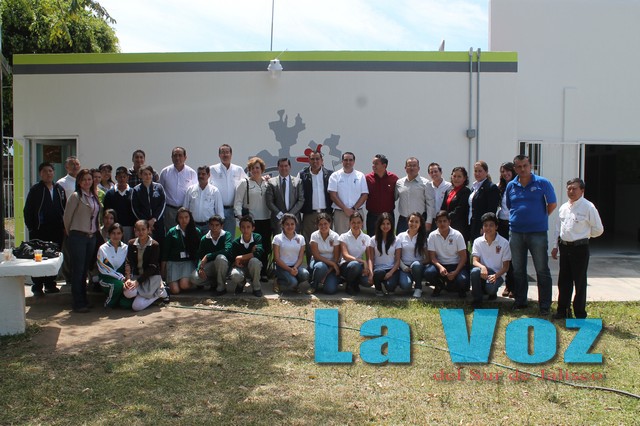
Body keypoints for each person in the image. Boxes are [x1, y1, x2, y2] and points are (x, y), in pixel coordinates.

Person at [506, 154, 557, 315]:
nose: (522, 169)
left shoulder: (542, 183)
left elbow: (552, 204)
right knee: (518, 270)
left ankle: (545, 305)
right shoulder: (511, 186)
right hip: (516, 233)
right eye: (519, 166)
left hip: (537, 233)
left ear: (530, 166)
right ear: (515, 168)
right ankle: (521, 302)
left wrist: (539, 218)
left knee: (541, 269)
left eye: (525, 165)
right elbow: (510, 205)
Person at [551, 178, 604, 319]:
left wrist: (584, 236)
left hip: (580, 248)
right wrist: (555, 247)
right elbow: (558, 229)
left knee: (579, 282)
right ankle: (563, 310)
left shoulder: (588, 207)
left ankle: (580, 313)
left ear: (582, 190)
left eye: (574, 188)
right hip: (564, 247)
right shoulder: (563, 207)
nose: (571, 191)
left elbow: (598, 229)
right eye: (569, 188)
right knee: (564, 281)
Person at [23, 162, 66, 296]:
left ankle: (50, 284)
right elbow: (28, 210)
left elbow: (64, 208)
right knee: (38, 258)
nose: (48, 174)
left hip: (56, 229)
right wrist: (32, 227)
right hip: (39, 230)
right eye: (45, 171)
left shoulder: (59, 189)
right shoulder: (35, 190)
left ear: (54, 173)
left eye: (50, 171)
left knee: (53, 257)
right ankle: (37, 286)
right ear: (40, 174)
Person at [63, 168, 100, 313]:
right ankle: (77, 302)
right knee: (78, 270)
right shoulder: (76, 196)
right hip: (78, 237)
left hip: (91, 237)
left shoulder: (94, 196)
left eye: (89, 179)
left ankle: (84, 299)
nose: (87, 182)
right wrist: (72, 234)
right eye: (84, 179)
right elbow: (67, 218)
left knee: (85, 270)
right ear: (79, 181)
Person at [234, 157, 271, 279]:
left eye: (257, 168)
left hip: (266, 219)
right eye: (252, 168)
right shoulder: (244, 183)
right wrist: (240, 217)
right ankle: (252, 272)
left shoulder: (267, 182)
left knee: (265, 246)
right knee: (252, 247)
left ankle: (263, 272)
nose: (255, 170)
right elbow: (238, 202)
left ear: (262, 169)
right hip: (252, 221)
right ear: (249, 170)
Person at [124, 220, 168, 311]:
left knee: (136, 307)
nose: (141, 232)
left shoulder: (154, 245)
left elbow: (152, 267)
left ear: (148, 230)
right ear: (135, 230)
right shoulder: (131, 243)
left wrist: (137, 282)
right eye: (138, 230)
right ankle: (144, 294)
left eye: (143, 229)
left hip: (151, 277)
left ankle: (159, 293)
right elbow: (128, 262)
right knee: (128, 293)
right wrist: (128, 278)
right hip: (137, 276)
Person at [424, 210, 470, 298]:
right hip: (440, 265)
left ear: (449, 222)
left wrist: (456, 272)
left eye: (445, 221)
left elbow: (463, 257)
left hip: (456, 265)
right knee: (428, 272)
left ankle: (459, 289)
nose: (442, 223)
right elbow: (432, 257)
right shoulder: (432, 235)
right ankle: (439, 285)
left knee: (463, 280)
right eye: (440, 221)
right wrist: (440, 267)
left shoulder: (457, 235)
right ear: (436, 223)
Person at [471, 213, 512, 308]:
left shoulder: (504, 243)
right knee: (474, 271)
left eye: (491, 225)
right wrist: (482, 267)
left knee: (490, 290)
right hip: (483, 272)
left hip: (497, 274)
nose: (488, 228)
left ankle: (491, 292)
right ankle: (477, 300)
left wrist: (495, 276)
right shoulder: (477, 241)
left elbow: (506, 267)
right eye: (485, 225)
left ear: (496, 227)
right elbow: (474, 261)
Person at [298, 150, 333, 261]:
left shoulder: (330, 174)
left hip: (326, 213)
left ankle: (329, 266)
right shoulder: (302, 175)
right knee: (310, 241)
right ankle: (311, 266)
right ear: (309, 160)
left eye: (317, 159)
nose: (315, 161)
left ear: (322, 160)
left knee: (328, 240)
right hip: (309, 214)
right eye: (312, 159)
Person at [209, 144, 247, 238]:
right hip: (216, 210)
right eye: (222, 152)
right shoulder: (212, 169)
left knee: (229, 238)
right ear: (219, 155)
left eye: (227, 152)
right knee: (216, 238)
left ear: (231, 154)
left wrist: (263, 178)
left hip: (231, 210)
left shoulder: (238, 169)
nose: (225, 155)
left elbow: (248, 183)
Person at [161, 208, 202, 294]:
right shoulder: (172, 232)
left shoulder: (196, 231)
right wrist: (163, 272)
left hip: (188, 262)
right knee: (175, 290)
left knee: (184, 285)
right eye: (181, 217)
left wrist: (199, 267)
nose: (184, 220)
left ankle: (192, 282)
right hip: (173, 262)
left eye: (186, 217)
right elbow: (165, 252)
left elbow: (200, 251)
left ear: (190, 218)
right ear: (177, 219)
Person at [328, 152, 368, 234]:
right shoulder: (335, 176)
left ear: (354, 162)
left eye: (350, 160)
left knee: (358, 236)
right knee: (341, 237)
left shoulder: (360, 176)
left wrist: (354, 208)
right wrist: (345, 208)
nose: (348, 162)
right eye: (345, 160)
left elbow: (364, 195)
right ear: (342, 161)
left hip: (357, 211)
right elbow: (333, 195)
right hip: (340, 213)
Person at [159, 147, 197, 228]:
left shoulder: (191, 173)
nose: (177, 158)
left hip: (185, 211)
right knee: (170, 232)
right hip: (169, 210)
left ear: (185, 157)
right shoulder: (165, 172)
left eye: (180, 155)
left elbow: (194, 193)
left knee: (185, 232)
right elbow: (161, 191)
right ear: (171, 157)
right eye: (175, 155)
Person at [395, 157, 436, 234]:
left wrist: (429, 221)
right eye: (409, 165)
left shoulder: (426, 183)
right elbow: (394, 198)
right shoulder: (399, 183)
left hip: (419, 220)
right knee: (400, 240)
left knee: (420, 241)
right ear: (405, 168)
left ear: (418, 168)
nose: (412, 168)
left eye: (414, 165)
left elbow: (430, 204)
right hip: (403, 220)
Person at [194, 215, 232, 296]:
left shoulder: (226, 235)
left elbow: (227, 250)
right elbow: (200, 256)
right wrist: (200, 268)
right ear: (209, 225)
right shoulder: (204, 238)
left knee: (220, 258)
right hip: (211, 266)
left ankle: (221, 287)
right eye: (212, 225)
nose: (214, 227)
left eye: (217, 225)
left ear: (222, 226)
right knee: (194, 278)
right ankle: (214, 282)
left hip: (225, 265)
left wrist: (208, 256)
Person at [272, 214, 310, 293]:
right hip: (282, 267)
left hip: (295, 267)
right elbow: (277, 259)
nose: (290, 226)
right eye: (287, 224)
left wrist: (295, 268)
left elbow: (300, 257)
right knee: (293, 282)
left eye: (292, 224)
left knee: (305, 274)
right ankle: (278, 281)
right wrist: (289, 270)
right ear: (283, 225)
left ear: (295, 225)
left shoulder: (301, 238)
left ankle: (294, 282)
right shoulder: (277, 238)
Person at [266, 158, 305, 234]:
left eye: (286, 166)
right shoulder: (271, 182)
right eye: (281, 166)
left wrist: (290, 215)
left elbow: (301, 200)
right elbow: (269, 202)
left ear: (290, 167)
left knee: (294, 241)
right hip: (278, 220)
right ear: (278, 167)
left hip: (294, 219)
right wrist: (281, 215)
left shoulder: (298, 182)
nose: (283, 168)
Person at [97, 223, 131, 309]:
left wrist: (128, 278)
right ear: (109, 234)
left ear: (122, 234)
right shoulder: (102, 248)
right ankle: (109, 303)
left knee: (126, 304)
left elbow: (129, 265)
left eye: (119, 233)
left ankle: (118, 301)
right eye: (113, 233)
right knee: (118, 285)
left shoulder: (126, 248)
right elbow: (103, 267)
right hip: (107, 278)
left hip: (123, 279)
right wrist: (120, 277)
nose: (116, 236)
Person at [396, 212, 430, 298]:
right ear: (408, 222)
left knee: (416, 265)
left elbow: (428, 259)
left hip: (417, 267)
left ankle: (418, 288)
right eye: (411, 221)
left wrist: (416, 265)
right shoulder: (400, 236)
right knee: (405, 285)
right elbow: (396, 256)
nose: (413, 224)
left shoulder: (423, 238)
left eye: (416, 222)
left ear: (420, 224)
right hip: (404, 267)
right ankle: (408, 280)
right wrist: (403, 267)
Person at [368, 212, 402, 296]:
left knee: (390, 287)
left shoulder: (397, 240)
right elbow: (370, 259)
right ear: (379, 225)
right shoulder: (373, 240)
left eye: (388, 224)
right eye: (383, 224)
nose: (385, 226)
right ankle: (378, 288)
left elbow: (398, 260)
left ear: (391, 225)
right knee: (379, 273)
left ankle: (387, 284)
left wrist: (390, 273)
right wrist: (371, 273)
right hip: (378, 269)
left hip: (392, 269)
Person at [131, 165, 166, 245]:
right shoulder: (136, 190)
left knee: (160, 243)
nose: (148, 176)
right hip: (143, 225)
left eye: (150, 174)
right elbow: (135, 208)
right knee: (145, 244)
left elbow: (162, 204)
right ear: (140, 175)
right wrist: (146, 222)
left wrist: (154, 219)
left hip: (158, 222)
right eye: (145, 174)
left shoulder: (159, 187)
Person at [229, 215, 264, 297]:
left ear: (253, 228)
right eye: (243, 227)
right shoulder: (236, 242)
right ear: (240, 228)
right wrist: (251, 253)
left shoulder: (257, 237)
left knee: (254, 261)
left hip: (253, 266)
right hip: (242, 267)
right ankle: (241, 284)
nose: (245, 230)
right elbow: (234, 259)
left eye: (248, 227)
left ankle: (256, 288)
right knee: (235, 274)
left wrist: (241, 257)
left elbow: (259, 253)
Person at [184, 165, 224, 235]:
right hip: (193, 225)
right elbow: (185, 209)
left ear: (208, 175)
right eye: (199, 174)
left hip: (209, 226)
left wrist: (220, 228)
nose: (200, 176)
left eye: (203, 174)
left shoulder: (214, 191)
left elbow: (219, 211)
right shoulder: (190, 190)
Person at [338, 212, 372, 295]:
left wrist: (370, 272)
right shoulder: (343, 237)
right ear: (349, 223)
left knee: (368, 282)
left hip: (359, 266)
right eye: (353, 222)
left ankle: (355, 282)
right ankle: (349, 285)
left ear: (362, 223)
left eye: (358, 222)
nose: (356, 225)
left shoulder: (366, 238)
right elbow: (345, 256)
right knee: (355, 265)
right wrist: (363, 261)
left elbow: (369, 258)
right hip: (346, 265)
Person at [308, 213, 341, 295]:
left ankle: (335, 279)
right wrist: (333, 264)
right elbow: (316, 256)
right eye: (320, 224)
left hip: (331, 265)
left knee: (330, 290)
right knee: (321, 267)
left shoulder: (335, 236)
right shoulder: (314, 235)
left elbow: (336, 258)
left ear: (330, 223)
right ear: (317, 225)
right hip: (318, 262)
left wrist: (328, 272)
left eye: (325, 223)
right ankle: (314, 284)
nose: (323, 226)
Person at [366, 154, 399, 234]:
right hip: (372, 216)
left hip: (388, 216)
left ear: (384, 165)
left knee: (388, 239)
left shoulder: (393, 178)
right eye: (373, 164)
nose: (373, 166)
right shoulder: (367, 178)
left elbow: (397, 195)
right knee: (372, 239)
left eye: (376, 164)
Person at [497, 161, 516, 297]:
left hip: (513, 225)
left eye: (507, 170)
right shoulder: (500, 187)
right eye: (502, 171)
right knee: (505, 256)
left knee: (514, 257)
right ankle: (507, 285)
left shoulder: (517, 185)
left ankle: (514, 286)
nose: (505, 174)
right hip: (502, 224)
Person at [469, 161, 500, 241]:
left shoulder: (491, 187)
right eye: (475, 171)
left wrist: (485, 226)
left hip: (481, 225)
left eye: (480, 171)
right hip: (472, 224)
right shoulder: (474, 187)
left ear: (486, 172)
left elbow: (491, 210)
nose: (477, 173)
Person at [103, 166, 136, 242]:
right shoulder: (110, 193)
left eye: (124, 177)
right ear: (116, 178)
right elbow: (106, 211)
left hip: (129, 227)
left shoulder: (133, 192)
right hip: (114, 227)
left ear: (128, 177)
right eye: (120, 177)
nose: (122, 179)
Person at [441, 167, 471, 242]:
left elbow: (460, 209)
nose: (456, 179)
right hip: (447, 224)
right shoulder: (449, 190)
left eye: (459, 176)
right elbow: (443, 207)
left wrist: (447, 218)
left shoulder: (466, 191)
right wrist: (442, 218)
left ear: (464, 178)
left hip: (459, 226)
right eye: (454, 176)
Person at [427, 162, 452, 229]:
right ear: (429, 174)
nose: (433, 174)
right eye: (431, 172)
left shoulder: (449, 186)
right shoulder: (428, 186)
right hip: (432, 220)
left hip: (444, 220)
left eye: (435, 171)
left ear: (441, 172)